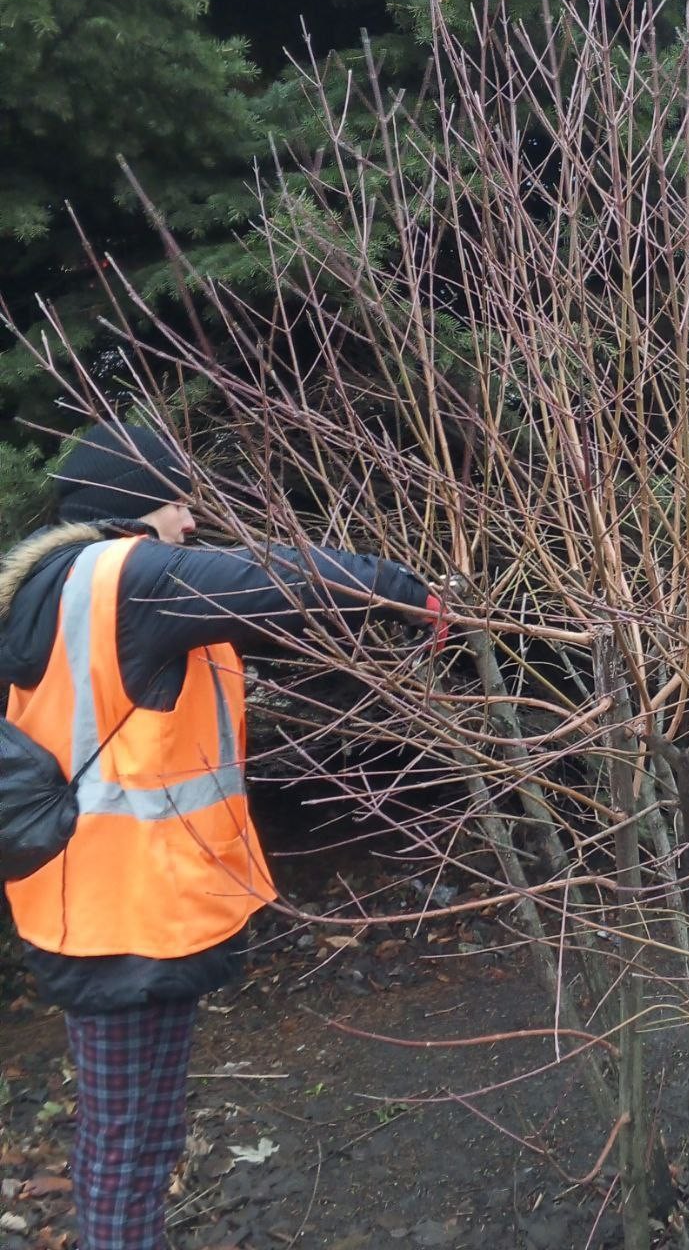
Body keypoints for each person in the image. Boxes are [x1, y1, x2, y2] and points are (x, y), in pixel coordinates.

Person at [0, 420, 444, 1250]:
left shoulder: (54, 591)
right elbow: (280, 579)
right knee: (130, 1150)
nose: (191, 523)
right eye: (178, 503)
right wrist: (406, 590)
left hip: (88, 904)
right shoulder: (126, 580)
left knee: (129, 1138)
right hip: (128, 914)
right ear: (136, 509)